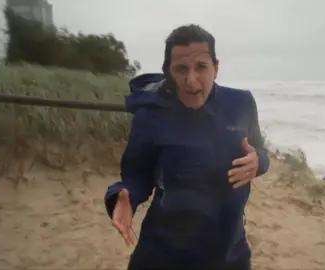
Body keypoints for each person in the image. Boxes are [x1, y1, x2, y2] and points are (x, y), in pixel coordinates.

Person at [104, 24, 270, 270]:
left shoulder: (241, 103)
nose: (191, 80)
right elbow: (136, 174)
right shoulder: (151, 114)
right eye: (181, 69)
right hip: (162, 253)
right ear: (168, 72)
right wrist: (123, 197)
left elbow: (261, 152)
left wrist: (258, 162)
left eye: (201, 67)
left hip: (228, 252)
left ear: (216, 68)